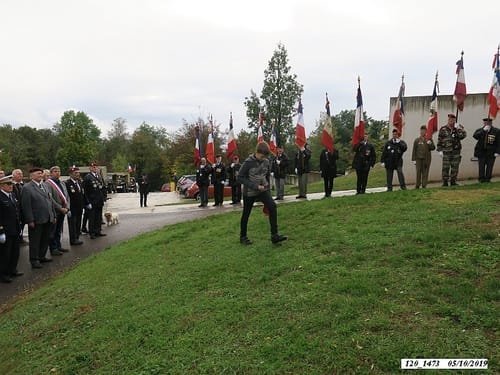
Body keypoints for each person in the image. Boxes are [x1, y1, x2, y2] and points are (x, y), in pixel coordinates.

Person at [238, 142, 287, 245]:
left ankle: (275, 235)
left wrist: (267, 189)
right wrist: (255, 186)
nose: (263, 158)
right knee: (246, 214)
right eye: (261, 156)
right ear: (257, 152)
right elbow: (240, 177)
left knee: (272, 206)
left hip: (263, 190)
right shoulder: (248, 162)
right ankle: (243, 237)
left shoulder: (266, 162)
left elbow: (267, 176)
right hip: (249, 192)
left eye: (265, 156)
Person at [21, 167, 56, 269]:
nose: (40, 175)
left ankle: (42, 256)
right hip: (36, 219)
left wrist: (53, 215)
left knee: (45, 239)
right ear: (31, 176)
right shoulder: (27, 188)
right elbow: (26, 206)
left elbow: (50, 202)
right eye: (37, 174)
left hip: (47, 217)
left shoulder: (45, 185)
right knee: (35, 241)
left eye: (41, 174)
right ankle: (34, 259)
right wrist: (30, 220)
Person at [0, 175, 23, 282]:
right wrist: (1, 232)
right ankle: (3, 274)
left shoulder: (12, 195)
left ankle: (12, 269)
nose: (11, 186)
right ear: (1, 186)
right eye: (8, 184)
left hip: (15, 229)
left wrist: (20, 226)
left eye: (11, 184)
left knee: (15, 252)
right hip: (6, 231)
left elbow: (16, 212)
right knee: (5, 254)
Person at [45, 166, 71, 255]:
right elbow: (50, 198)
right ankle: (53, 248)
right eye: (55, 171)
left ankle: (59, 246)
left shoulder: (62, 183)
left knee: (59, 230)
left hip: (63, 210)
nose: (57, 173)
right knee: (53, 230)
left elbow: (66, 196)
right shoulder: (48, 184)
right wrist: (60, 208)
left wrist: (67, 207)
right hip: (55, 211)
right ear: (51, 173)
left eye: (59, 171)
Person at [437, 113, 467, 186]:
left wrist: (458, 129)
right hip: (446, 152)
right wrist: (439, 150)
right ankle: (445, 182)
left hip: (456, 151)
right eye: (450, 119)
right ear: (448, 120)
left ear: (455, 120)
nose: (451, 121)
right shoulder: (443, 129)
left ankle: (453, 182)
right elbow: (439, 140)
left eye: (452, 119)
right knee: (445, 168)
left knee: (455, 168)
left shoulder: (458, 128)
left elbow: (463, 136)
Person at [83, 162, 107, 239]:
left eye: (95, 167)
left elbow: (102, 187)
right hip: (92, 201)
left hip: (99, 200)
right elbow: (85, 191)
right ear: (90, 168)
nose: (94, 168)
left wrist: (104, 197)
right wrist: (87, 202)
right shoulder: (88, 177)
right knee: (92, 218)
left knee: (98, 217)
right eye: (93, 167)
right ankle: (92, 233)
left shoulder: (99, 176)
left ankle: (98, 231)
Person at [473, 117, 500, 183]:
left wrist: (498, 152)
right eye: (485, 122)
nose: (487, 123)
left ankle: (488, 179)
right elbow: (475, 136)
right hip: (481, 152)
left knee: (489, 166)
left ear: (491, 123)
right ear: (484, 123)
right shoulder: (480, 130)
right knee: (481, 166)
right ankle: (481, 179)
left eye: (488, 122)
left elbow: (499, 142)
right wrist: (483, 131)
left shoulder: (496, 131)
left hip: (491, 152)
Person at [65, 167, 84, 245]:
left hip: (79, 207)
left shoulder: (79, 182)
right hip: (72, 207)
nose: (77, 174)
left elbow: (82, 194)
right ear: (70, 174)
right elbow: (66, 196)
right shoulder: (67, 183)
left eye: (78, 173)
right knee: (72, 224)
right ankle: (73, 239)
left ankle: (77, 237)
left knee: (78, 223)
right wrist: (67, 208)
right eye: (75, 173)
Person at [11, 168, 26, 243]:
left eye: (21, 173)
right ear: (13, 176)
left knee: (22, 224)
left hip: (24, 210)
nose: (21, 175)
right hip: (16, 210)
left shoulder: (24, 185)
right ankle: (16, 239)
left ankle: (21, 237)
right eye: (18, 173)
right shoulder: (11, 185)